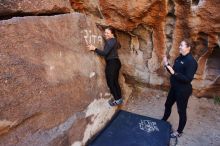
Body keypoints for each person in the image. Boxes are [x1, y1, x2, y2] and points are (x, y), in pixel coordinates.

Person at [162, 39, 198, 138]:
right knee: (167, 104)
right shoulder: (179, 58)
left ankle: (179, 132)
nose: (179, 47)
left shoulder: (191, 62)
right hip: (174, 88)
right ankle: (163, 121)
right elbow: (173, 71)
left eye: (181, 45)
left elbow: (187, 79)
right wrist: (166, 64)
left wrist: (173, 72)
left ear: (188, 48)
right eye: (179, 45)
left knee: (181, 111)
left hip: (183, 91)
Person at [87, 27, 123, 106]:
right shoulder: (115, 40)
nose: (105, 34)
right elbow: (119, 46)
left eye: (107, 33)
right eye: (105, 32)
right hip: (116, 62)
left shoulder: (110, 41)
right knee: (115, 82)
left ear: (112, 34)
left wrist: (94, 48)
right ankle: (119, 99)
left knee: (111, 82)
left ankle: (117, 100)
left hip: (112, 64)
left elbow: (104, 53)